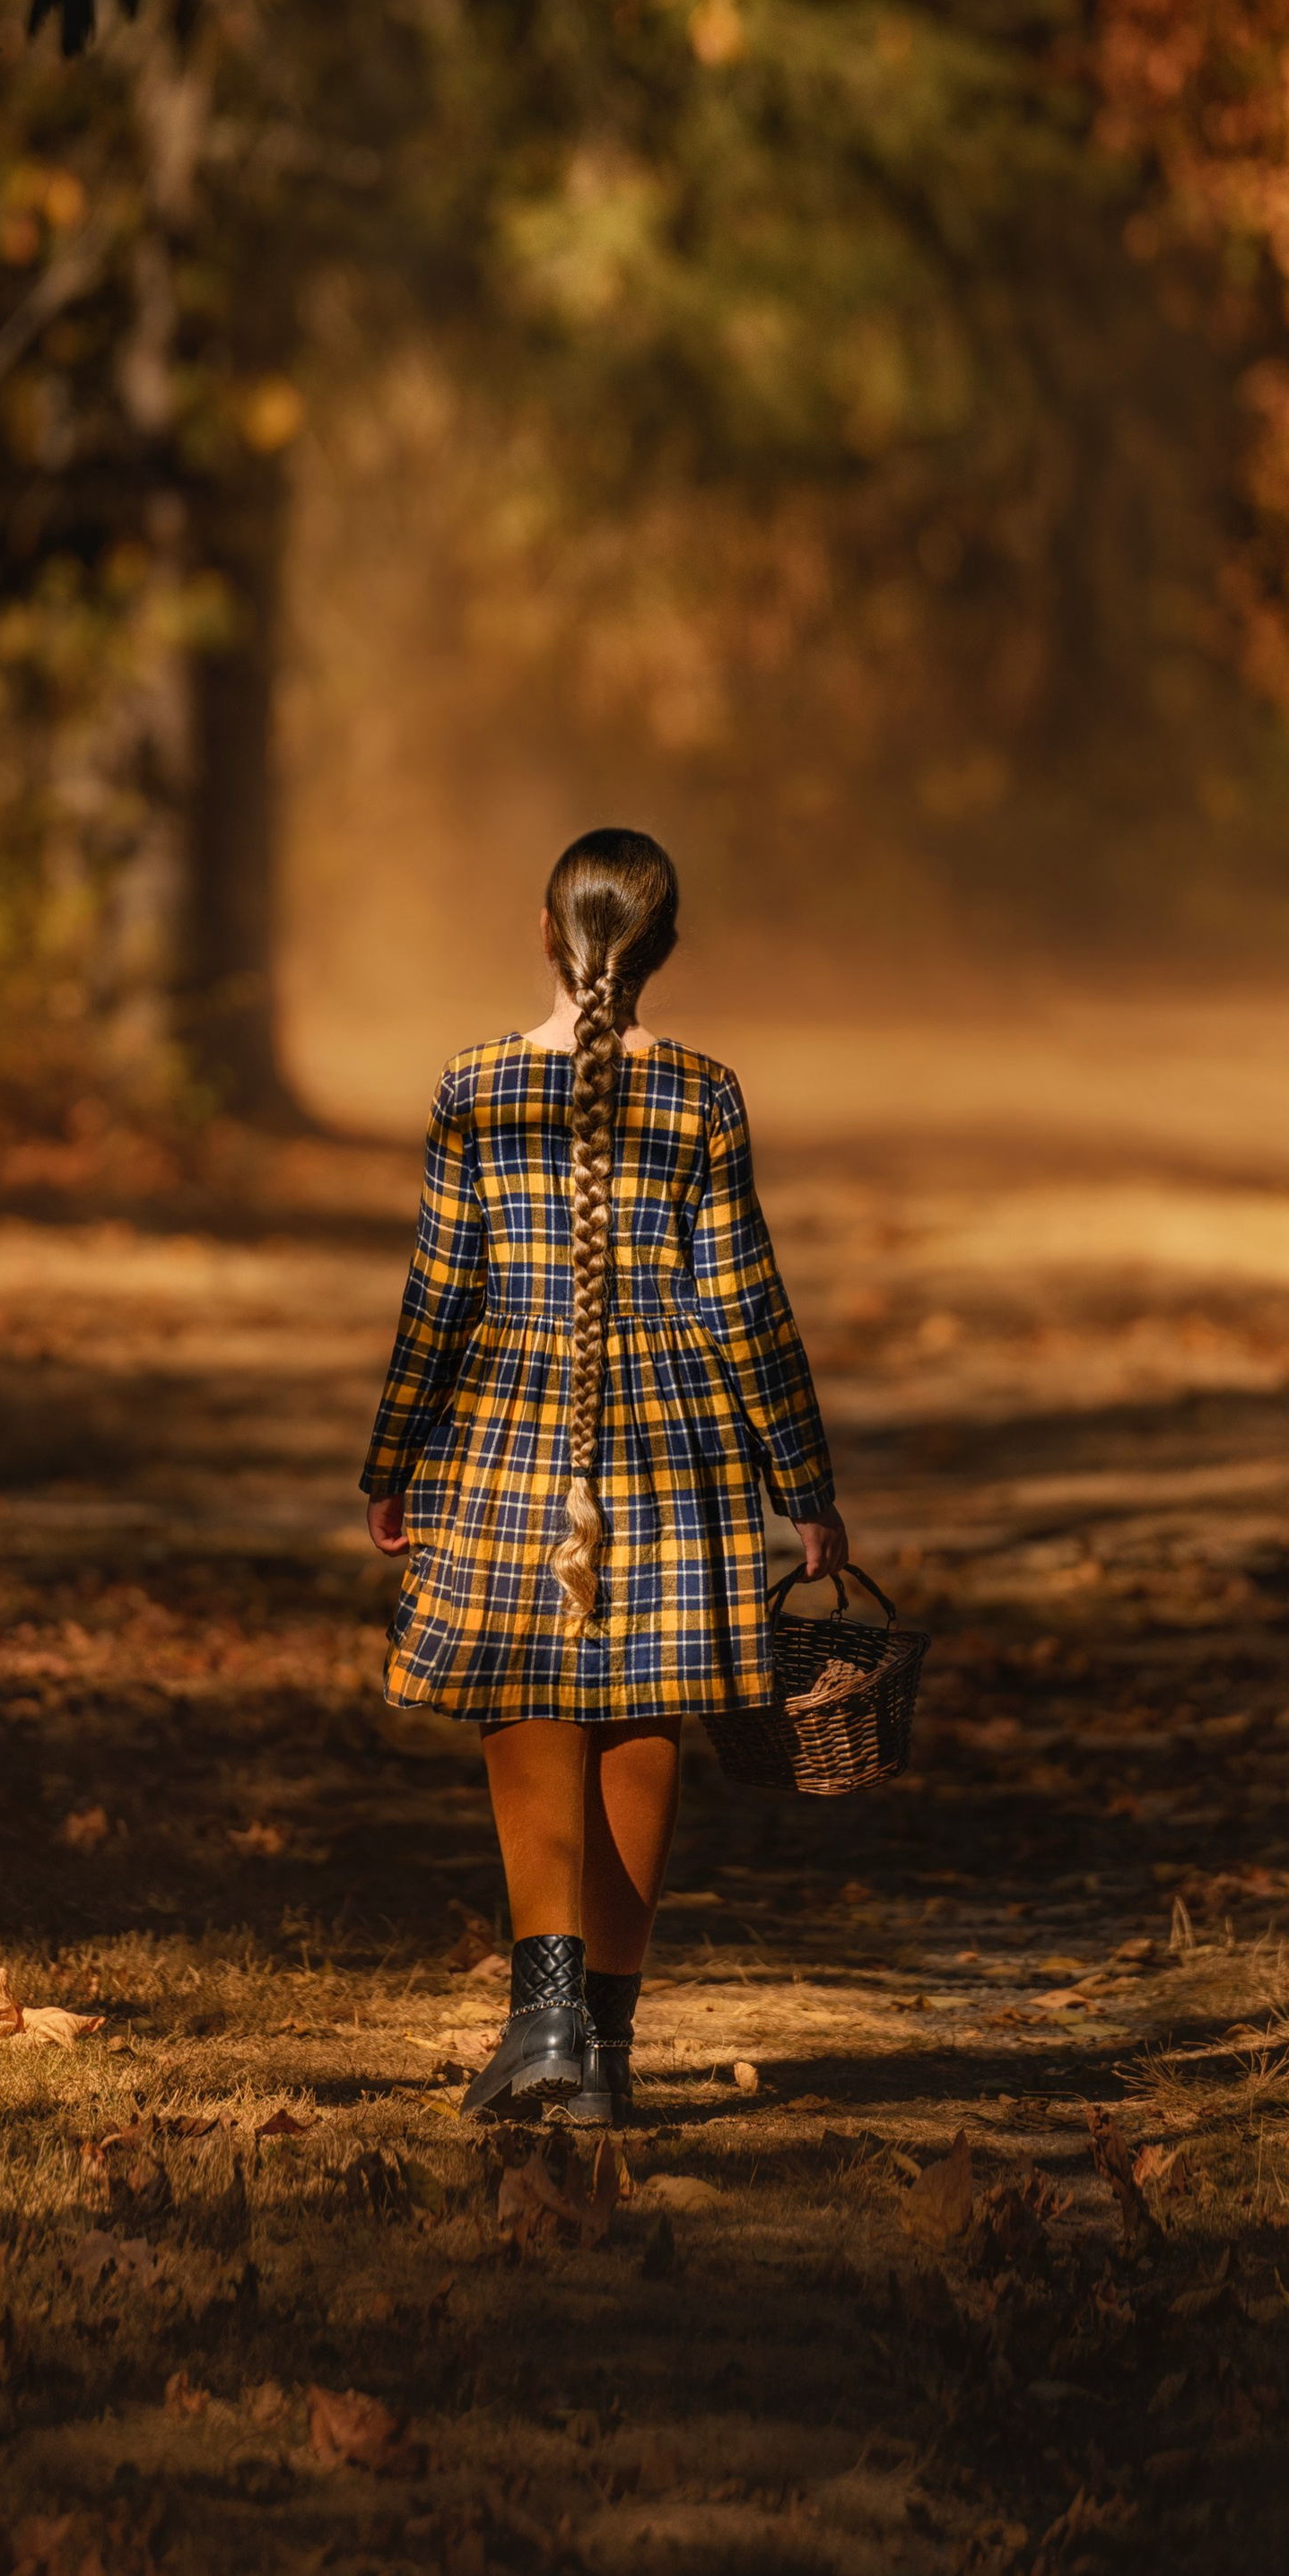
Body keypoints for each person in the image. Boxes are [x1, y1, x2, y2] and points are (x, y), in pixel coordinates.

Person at [361, 827, 846, 2126]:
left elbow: (440, 1293)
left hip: (509, 1425)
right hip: (674, 1435)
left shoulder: (472, 1085)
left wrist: (391, 1456)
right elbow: (742, 1298)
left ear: (542, 930)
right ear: (666, 949)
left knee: (528, 1687)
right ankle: (607, 2051)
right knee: (651, 1702)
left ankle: (549, 2021)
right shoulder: (704, 1093)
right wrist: (805, 1481)